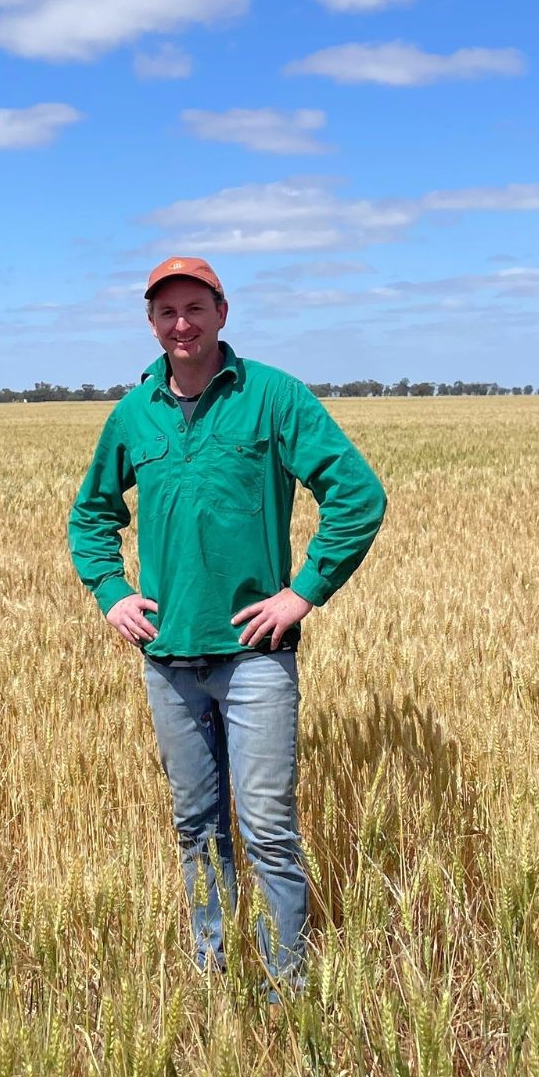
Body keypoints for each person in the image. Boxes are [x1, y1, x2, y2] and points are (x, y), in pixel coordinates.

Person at [67, 255, 386, 997]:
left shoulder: (272, 397)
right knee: (196, 826)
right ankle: (214, 970)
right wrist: (111, 589)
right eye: (167, 312)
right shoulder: (132, 412)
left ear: (222, 313)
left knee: (268, 826)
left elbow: (357, 495)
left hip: (256, 655)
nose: (182, 324)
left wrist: (303, 592)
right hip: (169, 657)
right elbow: (91, 515)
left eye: (195, 308)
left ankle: (287, 982)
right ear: (152, 323)